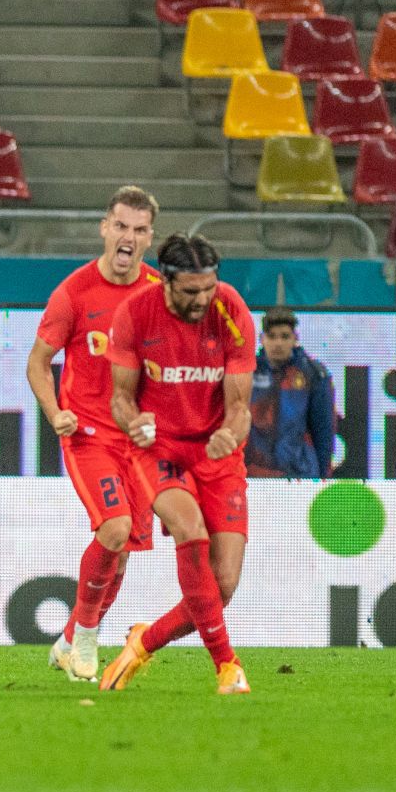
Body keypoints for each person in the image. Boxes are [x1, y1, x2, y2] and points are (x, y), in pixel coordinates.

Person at [100, 233, 255, 695]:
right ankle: (227, 666)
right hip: (159, 449)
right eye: (190, 291)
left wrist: (230, 433)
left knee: (222, 586)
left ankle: (143, 643)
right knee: (191, 532)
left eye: (208, 288)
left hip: (216, 453)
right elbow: (121, 399)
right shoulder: (135, 313)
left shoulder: (232, 311)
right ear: (166, 282)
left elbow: (241, 406)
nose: (202, 299)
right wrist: (135, 424)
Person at [27, 185, 160, 682]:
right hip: (87, 434)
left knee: (121, 554)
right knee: (115, 528)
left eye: (139, 230)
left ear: (149, 237)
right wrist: (53, 409)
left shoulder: (158, 293)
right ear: (105, 228)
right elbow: (38, 363)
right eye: (121, 226)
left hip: (139, 442)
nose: (128, 237)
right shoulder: (74, 292)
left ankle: (66, 640)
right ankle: (85, 636)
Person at [246, 306, 335, 478]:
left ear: (295, 339)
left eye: (285, 336)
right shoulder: (247, 373)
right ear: (262, 339)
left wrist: (322, 477)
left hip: (299, 476)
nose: (278, 343)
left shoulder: (313, 374)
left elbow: (323, 431)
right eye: (272, 336)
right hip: (254, 474)